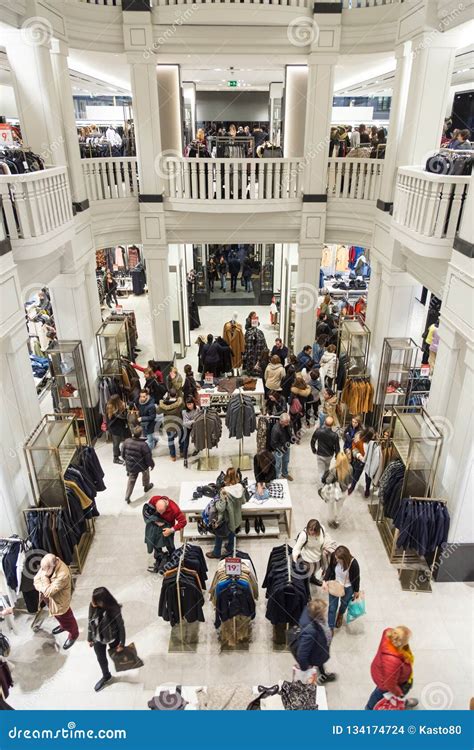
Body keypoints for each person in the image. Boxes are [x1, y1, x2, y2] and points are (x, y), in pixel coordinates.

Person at [366, 626, 418, 710]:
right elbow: (390, 684)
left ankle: (402, 701)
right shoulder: (392, 661)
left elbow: (387, 629)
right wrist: (399, 693)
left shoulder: (388, 635)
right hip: (387, 684)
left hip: (383, 674)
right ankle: (369, 709)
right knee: (379, 695)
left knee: (378, 692)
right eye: (407, 640)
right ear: (400, 643)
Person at [33, 554, 78, 650]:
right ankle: (63, 626)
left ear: (52, 566)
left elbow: (48, 592)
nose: (43, 571)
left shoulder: (63, 574)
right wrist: (44, 587)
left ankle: (73, 634)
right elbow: (36, 580)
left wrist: (44, 579)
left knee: (67, 618)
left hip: (60, 601)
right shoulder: (47, 565)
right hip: (51, 600)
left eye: (45, 570)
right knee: (57, 615)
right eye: (43, 569)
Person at [88, 587, 126, 692]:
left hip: (112, 637)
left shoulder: (114, 609)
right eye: (93, 599)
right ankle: (106, 676)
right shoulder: (92, 605)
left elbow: (121, 626)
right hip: (97, 638)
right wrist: (89, 637)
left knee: (118, 657)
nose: (93, 602)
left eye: (95, 600)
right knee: (101, 658)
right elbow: (90, 621)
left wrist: (122, 643)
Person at [206, 468, 246, 559]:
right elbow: (243, 501)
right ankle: (230, 548)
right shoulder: (240, 487)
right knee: (232, 531)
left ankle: (216, 552)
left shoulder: (224, 491)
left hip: (226, 518)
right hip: (236, 517)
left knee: (219, 534)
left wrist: (216, 502)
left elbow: (221, 508)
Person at [296, 599, 336, 684]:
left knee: (320, 662)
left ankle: (323, 674)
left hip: (318, 651)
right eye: (324, 611)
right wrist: (306, 670)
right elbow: (302, 654)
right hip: (314, 654)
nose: (325, 613)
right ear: (318, 614)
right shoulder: (310, 631)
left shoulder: (309, 611)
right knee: (315, 667)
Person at [323, 545, 360, 631]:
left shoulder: (353, 564)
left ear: (344, 559)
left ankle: (340, 614)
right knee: (332, 607)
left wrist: (356, 591)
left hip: (347, 588)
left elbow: (357, 578)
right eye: (335, 558)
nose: (336, 560)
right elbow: (330, 568)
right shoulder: (334, 556)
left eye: (338, 559)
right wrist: (325, 580)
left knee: (344, 604)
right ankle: (330, 627)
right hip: (334, 585)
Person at [145, 495, 187, 571]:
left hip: (168, 528)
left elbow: (183, 522)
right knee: (156, 544)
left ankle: (173, 562)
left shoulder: (174, 509)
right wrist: (154, 520)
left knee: (170, 545)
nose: (160, 514)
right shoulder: (154, 499)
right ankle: (159, 561)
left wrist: (171, 530)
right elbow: (148, 511)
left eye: (162, 512)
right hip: (156, 527)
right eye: (158, 511)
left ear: (166, 506)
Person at [121, 426, 154, 504]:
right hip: (142, 465)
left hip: (131, 465)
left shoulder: (126, 441)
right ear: (141, 434)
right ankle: (146, 486)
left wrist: (127, 461)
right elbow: (148, 458)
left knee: (131, 479)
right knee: (146, 473)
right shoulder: (144, 445)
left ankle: (127, 496)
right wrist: (152, 465)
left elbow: (122, 454)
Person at [320, 452, 353, 528]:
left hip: (334, 492)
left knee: (331, 506)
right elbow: (351, 481)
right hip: (343, 492)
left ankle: (331, 520)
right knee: (340, 506)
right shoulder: (350, 468)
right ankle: (337, 520)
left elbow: (328, 481)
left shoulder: (334, 470)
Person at [292, 519, 326, 586]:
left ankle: (312, 579)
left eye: (314, 530)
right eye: (310, 529)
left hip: (318, 558)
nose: (312, 532)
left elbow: (325, 538)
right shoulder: (304, 535)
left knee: (314, 571)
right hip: (307, 560)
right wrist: (295, 560)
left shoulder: (322, 529)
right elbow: (296, 548)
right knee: (306, 576)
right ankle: (306, 589)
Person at [158, 388, 185, 461]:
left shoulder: (163, 404)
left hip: (169, 425)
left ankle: (173, 456)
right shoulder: (180, 404)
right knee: (182, 438)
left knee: (171, 440)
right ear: (176, 394)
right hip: (178, 423)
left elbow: (158, 411)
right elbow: (183, 406)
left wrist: (164, 400)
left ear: (168, 395)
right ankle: (182, 452)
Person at [348, 427, 375, 495]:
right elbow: (353, 446)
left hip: (369, 462)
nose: (373, 436)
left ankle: (367, 489)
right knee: (356, 475)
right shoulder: (359, 438)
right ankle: (352, 487)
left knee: (368, 478)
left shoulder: (374, 442)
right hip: (360, 461)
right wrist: (358, 455)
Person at [106, 394, 130, 464]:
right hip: (115, 428)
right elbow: (110, 419)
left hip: (121, 426)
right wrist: (117, 414)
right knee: (116, 444)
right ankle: (115, 458)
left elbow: (124, 416)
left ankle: (123, 454)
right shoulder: (110, 407)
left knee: (124, 441)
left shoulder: (121, 404)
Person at [270, 413, 293, 481]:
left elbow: (289, 434)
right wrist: (281, 449)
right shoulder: (276, 429)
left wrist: (292, 439)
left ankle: (285, 474)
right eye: (287, 422)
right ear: (281, 421)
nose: (288, 423)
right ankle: (276, 478)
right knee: (277, 465)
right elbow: (273, 444)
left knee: (286, 461)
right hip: (278, 450)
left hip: (286, 446)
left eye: (288, 422)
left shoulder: (287, 425)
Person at [289, 375, 311, 440]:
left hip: (294, 410)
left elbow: (290, 402)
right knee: (299, 421)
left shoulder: (293, 391)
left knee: (294, 422)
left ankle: (296, 435)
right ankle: (299, 433)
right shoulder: (306, 391)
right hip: (301, 410)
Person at [182, 396, 200, 468]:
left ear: (193, 403)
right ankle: (185, 459)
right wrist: (193, 421)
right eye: (188, 404)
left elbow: (199, 416)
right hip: (187, 428)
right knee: (186, 443)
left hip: (195, 426)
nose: (189, 406)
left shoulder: (197, 409)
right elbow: (185, 423)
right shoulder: (184, 412)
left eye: (190, 404)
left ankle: (197, 449)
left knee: (196, 439)